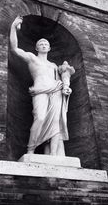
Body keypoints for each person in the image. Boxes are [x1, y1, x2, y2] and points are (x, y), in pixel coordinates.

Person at [10, 16, 73, 156]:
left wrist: (66, 87)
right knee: (40, 118)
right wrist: (14, 27)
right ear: (36, 47)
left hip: (55, 92)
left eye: (46, 44)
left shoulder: (53, 65)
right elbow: (15, 49)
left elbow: (63, 79)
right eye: (41, 43)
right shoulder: (32, 58)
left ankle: (53, 153)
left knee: (56, 121)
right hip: (40, 92)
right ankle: (30, 149)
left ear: (50, 48)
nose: (44, 45)